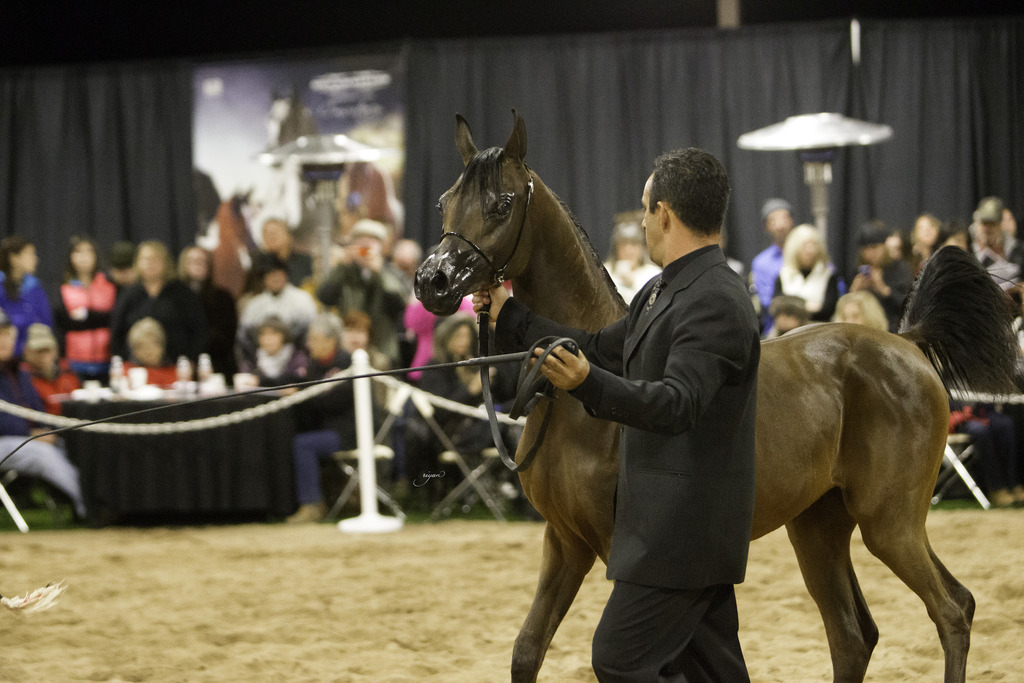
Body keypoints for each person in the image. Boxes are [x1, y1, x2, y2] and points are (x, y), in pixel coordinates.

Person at [475, 148, 759, 680]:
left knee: (619, 660)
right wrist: (508, 314)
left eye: (645, 209)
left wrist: (587, 385)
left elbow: (678, 405)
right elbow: (599, 347)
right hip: (672, 526)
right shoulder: (662, 289)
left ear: (666, 215)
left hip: (681, 531)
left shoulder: (715, 298)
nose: (644, 221)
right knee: (714, 671)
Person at [0, 311, 86, 519]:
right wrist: (32, 432)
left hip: (29, 438)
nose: (3, 340)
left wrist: (48, 431)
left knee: (79, 444)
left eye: (6, 334)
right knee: (43, 454)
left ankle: (101, 500)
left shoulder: (19, 372)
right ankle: (88, 508)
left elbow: (38, 411)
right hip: (8, 441)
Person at [285, 312, 356, 524]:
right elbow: (310, 390)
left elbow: (336, 402)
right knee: (299, 436)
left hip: (349, 432)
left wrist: (303, 395)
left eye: (313, 339)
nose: (309, 344)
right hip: (329, 428)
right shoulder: (316, 364)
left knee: (303, 444)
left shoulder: (347, 363)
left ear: (330, 340)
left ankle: (312, 505)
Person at [316, 219, 408, 367]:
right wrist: (341, 266)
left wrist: (380, 274)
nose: (364, 247)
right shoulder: (344, 273)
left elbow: (400, 304)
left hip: (382, 351)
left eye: (371, 242)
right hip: (347, 351)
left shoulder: (392, 273)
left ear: (382, 247)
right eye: (359, 242)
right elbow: (324, 297)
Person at [110, 241, 210, 363]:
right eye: (146, 259)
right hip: (136, 368)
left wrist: (191, 360)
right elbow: (116, 333)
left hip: (176, 366)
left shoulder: (182, 293)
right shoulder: (128, 295)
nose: (150, 264)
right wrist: (123, 360)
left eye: (156, 259)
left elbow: (199, 330)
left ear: (166, 262)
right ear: (138, 262)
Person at [53, 236, 118, 382]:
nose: (83, 257)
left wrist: (87, 315)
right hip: (75, 362)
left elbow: (113, 318)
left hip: (107, 360)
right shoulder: (64, 287)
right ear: (70, 257)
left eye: (88, 252)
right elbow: (66, 323)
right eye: (78, 252)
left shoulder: (109, 285)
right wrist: (98, 318)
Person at [236, 253, 318, 368]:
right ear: (264, 278)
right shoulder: (254, 305)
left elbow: (311, 336)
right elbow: (245, 340)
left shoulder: (303, 300)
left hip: (297, 363)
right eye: (270, 275)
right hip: (261, 364)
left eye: (278, 274)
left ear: (286, 275)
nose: (275, 278)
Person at [178, 245, 238, 377]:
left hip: (217, 365)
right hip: (181, 365)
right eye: (193, 261)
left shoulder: (222, 297)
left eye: (202, 261)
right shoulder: (174, 297)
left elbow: (227, 336)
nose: (198, 265)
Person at [849, 221, 914, 333]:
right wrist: (854, 291)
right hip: (863, 330)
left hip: (893, 330)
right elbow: (844, 310)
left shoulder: (900, 269)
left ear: (884, 246)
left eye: (874, 247)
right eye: (865, 249)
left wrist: (883, 289)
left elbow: (910, 306)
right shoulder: (859, 270)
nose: (869, 253)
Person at [772, 224, 842, 323]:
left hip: (819, 329)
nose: (810, 250)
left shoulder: (829, 275)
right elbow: (777, 308)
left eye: (814, 245)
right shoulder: (783, 275)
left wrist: (794, 308)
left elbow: (827, 310)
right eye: (805, 245)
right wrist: (811, 306)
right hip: (788, 332)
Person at [0, 235, 54, 357]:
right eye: (30, 254)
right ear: (14, 258)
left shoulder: (35, 288)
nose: (36, 259)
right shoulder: (1, 288)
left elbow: (46, 323)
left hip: (32, 357)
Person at [749, 197, 795, 328]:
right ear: (766, 227)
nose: (780, 226)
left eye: (784, 218)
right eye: (773, 220)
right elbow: (767, 301)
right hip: (776, 328)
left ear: (792, 221)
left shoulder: (808, 252)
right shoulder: (761, 262)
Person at [604, 212, 663, 304]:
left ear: (641, 248)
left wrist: (632, 284)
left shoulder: (653, 274)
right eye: (623, 244)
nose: (628, 251)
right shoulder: (605, 273)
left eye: (633, 244)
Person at [21, 323, 80, 415]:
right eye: (37, 351)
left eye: (46, 350)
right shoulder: (22, 378)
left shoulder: (68, 372)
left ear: (55, 351)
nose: (43, 356)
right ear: (27, 353)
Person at [238, 315, 308, 388]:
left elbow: (301, 380)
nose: (268, 339)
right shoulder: (252, 359)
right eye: (263, 334)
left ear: (283, 336)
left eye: (273, 333)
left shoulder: (297, 358)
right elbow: (244, 379)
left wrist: (260, 381)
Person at [973, 196, 1020, 290]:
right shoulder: (968, 244)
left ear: (1000, 225)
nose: (987, 229)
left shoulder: (1014, 247)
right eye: (984, 224)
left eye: (992, 224)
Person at [260, 217, 313, 288]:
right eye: (267, 234)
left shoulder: (306, 261)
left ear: (288, 236)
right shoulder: (259, 266)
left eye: (275, 232)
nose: (271, 236)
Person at [124, 317, 178, 386]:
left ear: (161, 346)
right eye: (141, 347)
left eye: (152, 345)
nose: (148, 351)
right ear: (134, 350)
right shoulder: (127, 373)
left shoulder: (175, 373)